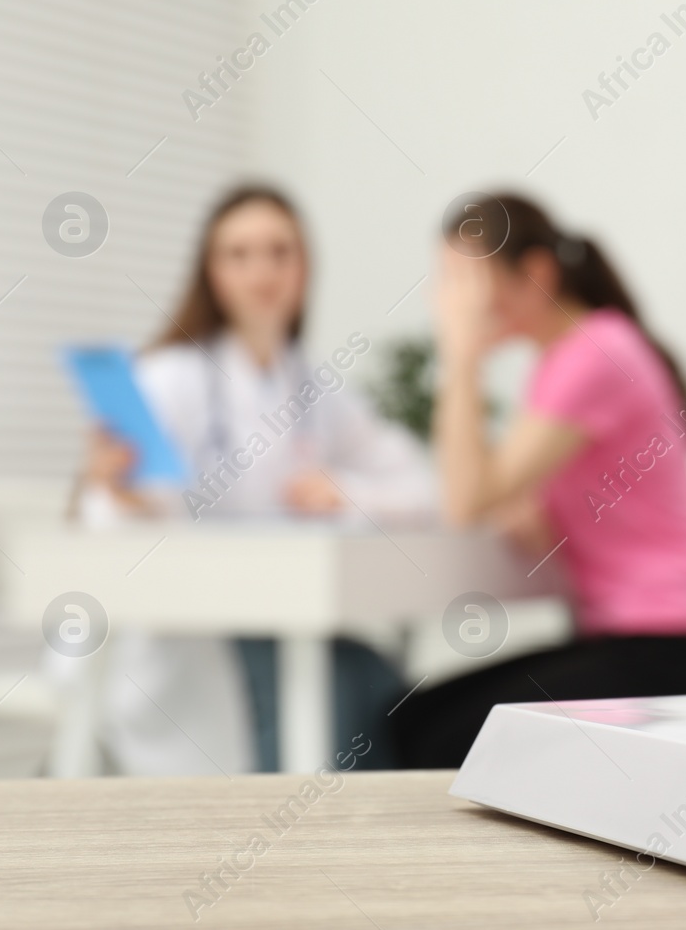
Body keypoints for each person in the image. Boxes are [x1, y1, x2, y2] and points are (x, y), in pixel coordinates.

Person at [76, 185, 436, 774]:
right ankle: (304, 852)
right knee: (332, 688)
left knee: (370, 676)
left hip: (281, 619)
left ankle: (352, 854)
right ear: (210, 273)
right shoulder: (168, 378)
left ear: (305, 266)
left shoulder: (315, 387)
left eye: (280, 251)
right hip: (189, 634)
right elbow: (115, 524)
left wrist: (346, 490)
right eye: (238, 255)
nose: (262, 271)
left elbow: (423, 489)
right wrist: (124, 491)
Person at [391, 193, 686, 766]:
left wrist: (460, 355)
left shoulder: (593, 354)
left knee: (429, 737)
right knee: (413, 718)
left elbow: (465, 500)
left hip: (668, 645)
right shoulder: (571, 356)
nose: (451, 301)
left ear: (535, 274)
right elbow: (512, 503)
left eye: (463, 280)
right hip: (642, 640)